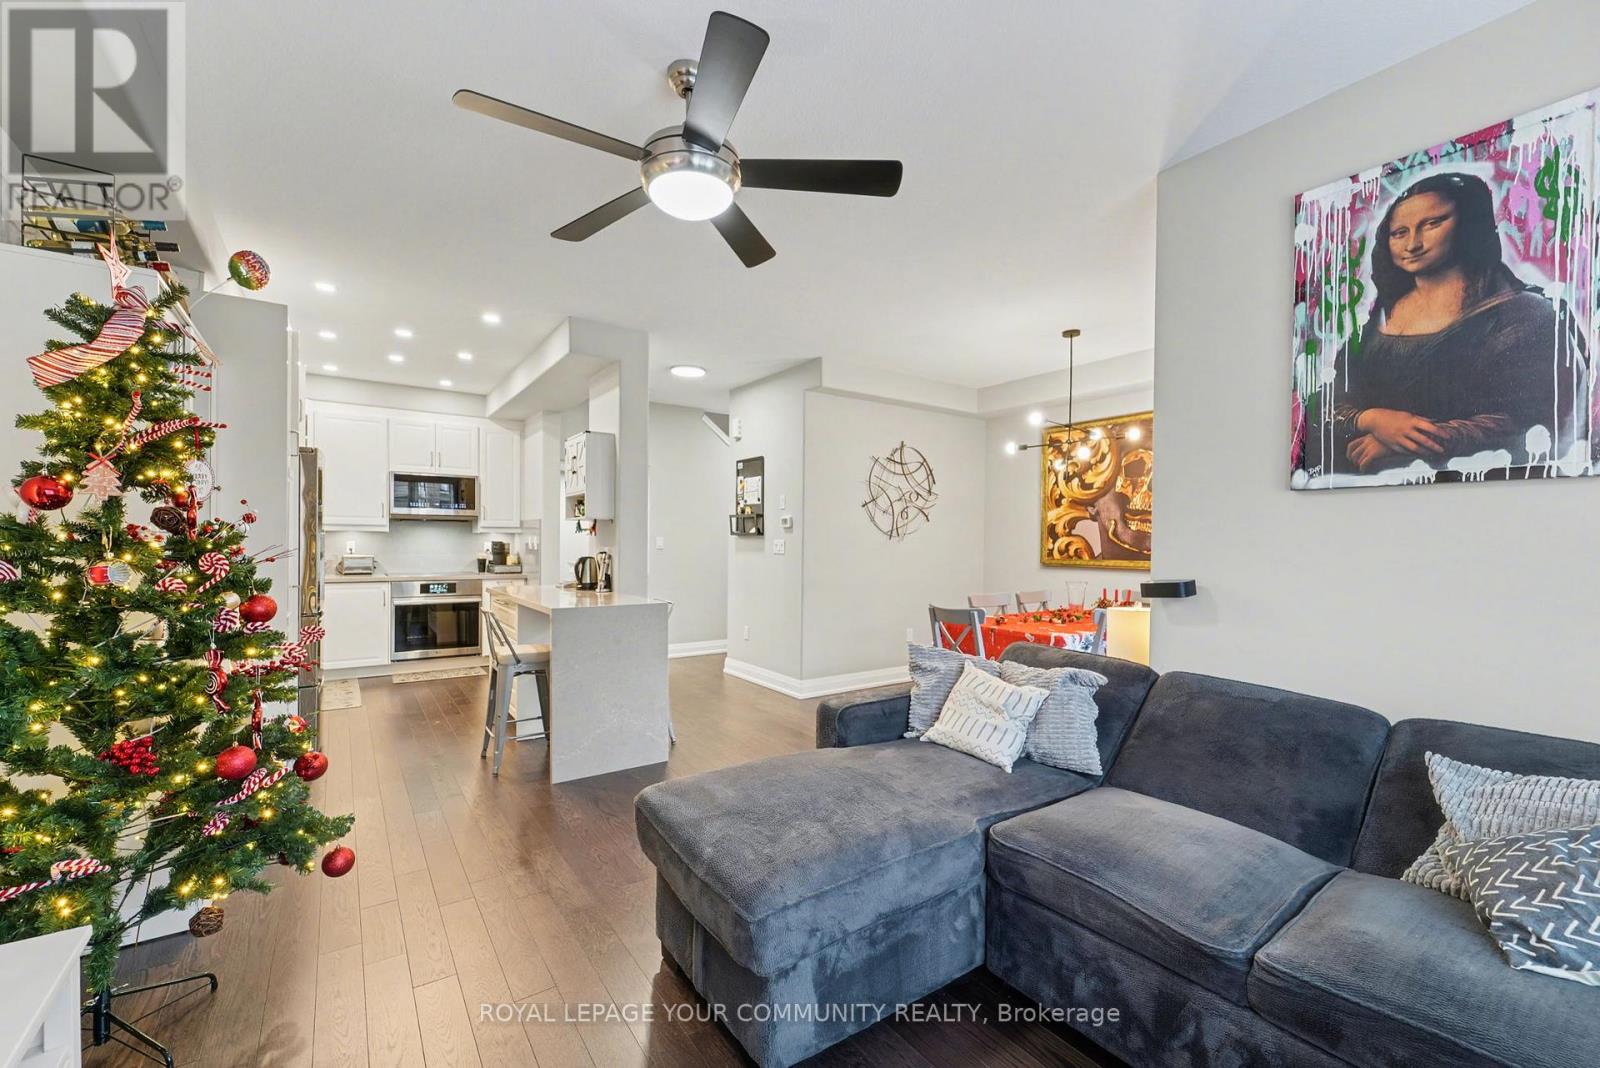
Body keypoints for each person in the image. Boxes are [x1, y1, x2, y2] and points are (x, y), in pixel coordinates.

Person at [1327, 172, 1587, 476]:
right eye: (1399, 232)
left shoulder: (1525, 313)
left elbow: (1533, 418)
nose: (1413, 243)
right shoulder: (1376, 324)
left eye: (1432, 224)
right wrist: (1373, 420)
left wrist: (1408, 442)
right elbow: (1329, 405)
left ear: (1467, 224)